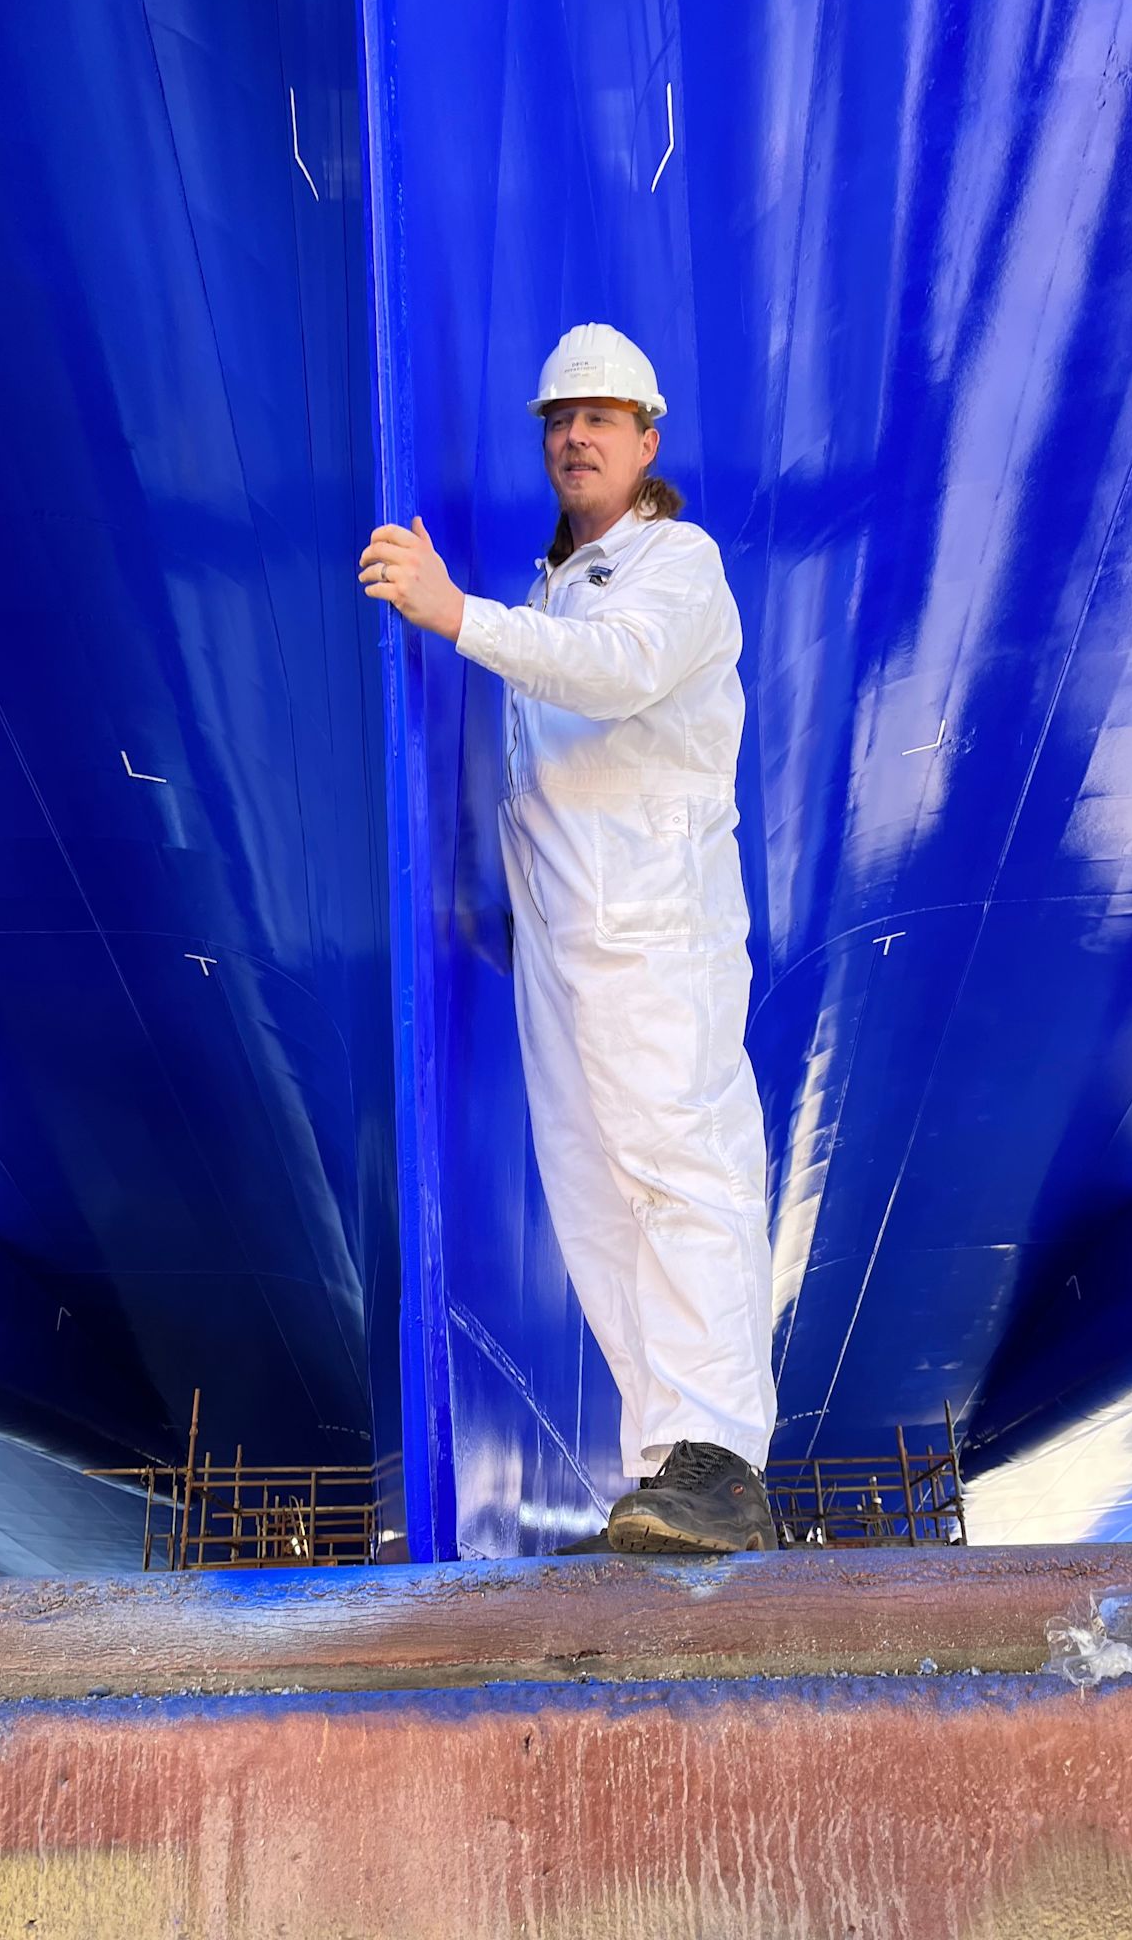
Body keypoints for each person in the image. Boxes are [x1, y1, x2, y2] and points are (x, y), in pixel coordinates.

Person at [361, 323, 777, 1555]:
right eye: (559, 418)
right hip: (572, 943)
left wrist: (454, 615)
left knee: (680, 1166)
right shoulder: (560, 585)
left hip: (654, 928)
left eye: (600, 416)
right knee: (597, 1196)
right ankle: (668, 1468)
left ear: (648, 441)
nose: (575, 435)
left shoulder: (678, 566)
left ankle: (725, 1460)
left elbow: (618, 674)